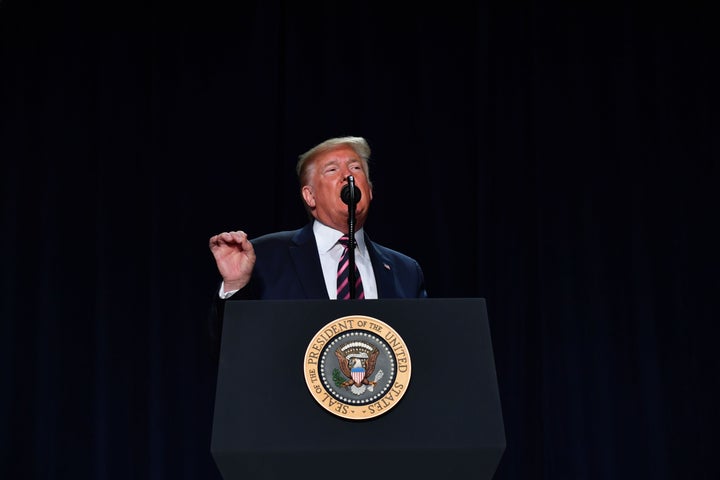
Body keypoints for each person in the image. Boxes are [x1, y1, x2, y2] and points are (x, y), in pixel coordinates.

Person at [207, 135, 427, 357]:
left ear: (369, 191)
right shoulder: (264, 256)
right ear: (309, 196)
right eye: (332, 170)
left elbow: (422, 349)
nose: (347, 176)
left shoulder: (405, 270)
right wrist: (236, 285)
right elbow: (230, 348)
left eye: (356, 167)